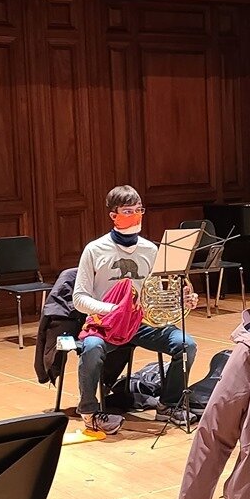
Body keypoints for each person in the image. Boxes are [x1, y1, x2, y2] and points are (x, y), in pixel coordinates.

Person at [74, 186, 198, 435]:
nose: (135, 216)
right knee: (91, 348)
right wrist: (114, 309)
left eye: (139, 210)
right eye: (128, 211)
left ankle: (169, 404)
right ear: (113, 215)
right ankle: (90, 412)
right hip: (105, 324)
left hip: (142, 323)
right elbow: (79, 298)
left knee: (186, 345)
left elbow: (162, 291)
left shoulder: (150, 250)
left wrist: (184, 299)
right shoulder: (94, 249)